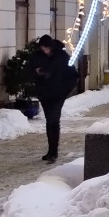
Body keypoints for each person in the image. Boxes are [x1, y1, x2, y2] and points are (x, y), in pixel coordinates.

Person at [31, 34, 75, 162]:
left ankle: (54, 151)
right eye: (43, 49)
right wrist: (37, 73)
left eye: (47, 49)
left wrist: (64, 91)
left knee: (53, 121)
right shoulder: (37, 56)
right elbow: (29, 69)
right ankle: (51, 151)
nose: (45, 51)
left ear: (51, 46)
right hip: (45, 94)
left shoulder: (62, 57)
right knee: (49, 121)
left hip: (57, 95)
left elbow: (72, 75)